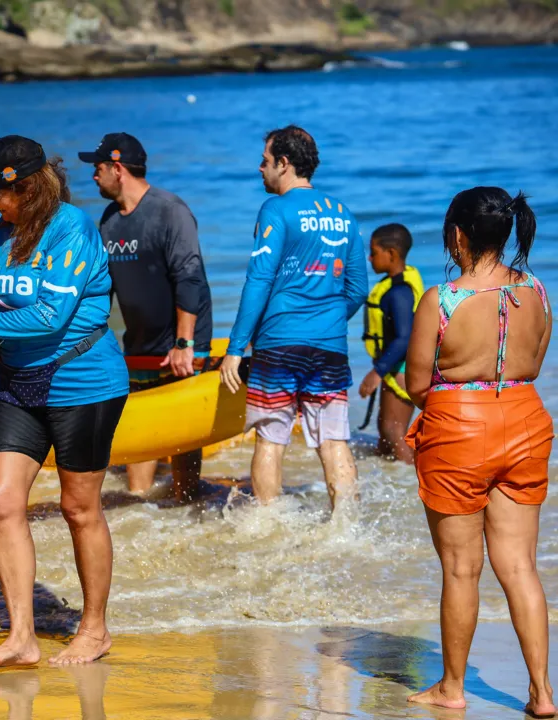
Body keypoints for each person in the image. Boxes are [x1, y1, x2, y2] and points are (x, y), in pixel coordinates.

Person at [0, 136, 130, 668]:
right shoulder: (0, 232)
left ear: (27, 188)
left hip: (83, 381)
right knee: (2, 499)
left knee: (79, 507)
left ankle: (95, 628)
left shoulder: (72, 229)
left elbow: (50, 316)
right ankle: (22, 636)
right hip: (17, 379)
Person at [404, 188, 553, 716]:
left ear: (458, 236)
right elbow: (532, 362)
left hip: (459, 432)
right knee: (519, 567)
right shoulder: (536, 288)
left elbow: (418, 384)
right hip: (527, 421)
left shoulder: (441, 300)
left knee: (462, 570)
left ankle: (452, 687)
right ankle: (541, 692)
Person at [220, 126, 367, 510]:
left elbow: (259, 280)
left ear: (284, 164)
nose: (259, 168)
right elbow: (357, 290)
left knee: (271, 438)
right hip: (329, 345)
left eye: (265, 161)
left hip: (280, 343)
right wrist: (330, 319)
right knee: (333, 440)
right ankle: (347, 527)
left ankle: (269, 522)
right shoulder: (343, 214)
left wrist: (236, 347)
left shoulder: (276, 209)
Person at [78, 132, 213, 497]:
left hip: (180, 345)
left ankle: (186, 502)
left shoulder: (170, 211)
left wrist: (185, 342)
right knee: (142, 432)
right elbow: (101, 289)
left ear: (117, 168)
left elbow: (190, 277)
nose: (93, 176)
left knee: (182, 438)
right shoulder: (109, 220)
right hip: (137, 344)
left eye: (98, 167)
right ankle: (142, 509)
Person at [359, 223, 423, 464]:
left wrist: (377, 372)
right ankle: (389, 488)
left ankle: (418, 488)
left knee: (394, 434)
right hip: (394, 366)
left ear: (392, 254)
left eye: (374, 252)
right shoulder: (393, 286)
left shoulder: (399, 293)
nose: (370, 257)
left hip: (401, 369)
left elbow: (404, 338)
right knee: (385, 439)